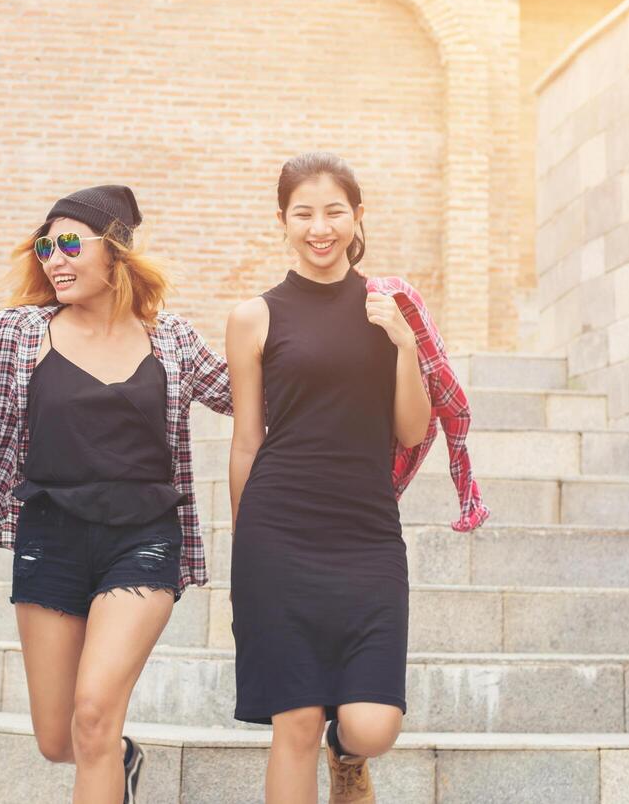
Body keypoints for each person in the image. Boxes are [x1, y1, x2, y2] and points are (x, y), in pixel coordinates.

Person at [0, 185, 231, 803]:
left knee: (93, 714)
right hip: (49, 538)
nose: (54, 258)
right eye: (46, 246)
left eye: (70, 242)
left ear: (116, 250)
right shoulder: (18, 333)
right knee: (59, 739)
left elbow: (249, 395)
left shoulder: (170, 337)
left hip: (144, 537)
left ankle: (107, 747)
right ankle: (120, 762)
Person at [225, 153, 435, 804]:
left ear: (357, 217)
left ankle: (348, 756)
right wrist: (245, 551)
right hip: (277, 532)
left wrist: (404, 345)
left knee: (370, 725)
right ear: (283, 221)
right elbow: (245, 441)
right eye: (304, 214)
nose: (320, 228)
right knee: (294, 721)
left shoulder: (389, 308)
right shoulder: (252, 318)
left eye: (334, 212)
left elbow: (410, 429)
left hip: (365, 534)